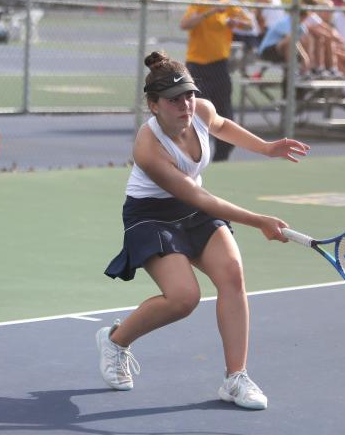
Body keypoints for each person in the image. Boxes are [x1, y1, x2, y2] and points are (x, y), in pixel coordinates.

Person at [98, 51, 310, 410]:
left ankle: (236, 378)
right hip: (152, 216)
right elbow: (199, 196)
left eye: (189, 96)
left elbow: (222, 125)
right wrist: (259, 221)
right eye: (174, 100)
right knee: (183, 298)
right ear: (153, 106)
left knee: (232, 274)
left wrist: (267, 148)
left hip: (193, 210)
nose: (186, 105)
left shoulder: (201, 111)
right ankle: (116, 341)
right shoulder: (148, 148)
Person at [180, 0, 254, 161]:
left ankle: (222, 155)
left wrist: (233, 20)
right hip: (197, 66)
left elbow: (249, 25)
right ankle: (193, 156)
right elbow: (185, 24)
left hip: (219, 66)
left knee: (224, 111)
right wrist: (211, 11)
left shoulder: (229, 5)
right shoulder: (200, 3)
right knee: (196, 111)